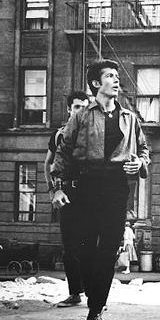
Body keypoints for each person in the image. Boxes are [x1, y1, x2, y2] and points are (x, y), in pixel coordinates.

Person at [51, 59, 150, 320]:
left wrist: (140, 164)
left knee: (108, 248)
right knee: (84, 248)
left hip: (117, 185)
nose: (117, 80)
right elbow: (63, 152)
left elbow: (144, 150)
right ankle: (94, 302)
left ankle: (95, 312)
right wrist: (57, 187)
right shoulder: (81, 116)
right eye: (110, 76)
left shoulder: (130, 118)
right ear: (96, 83)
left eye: (117, 76)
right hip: (86, 184)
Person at [44, 91, 89, 308]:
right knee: (70, 246)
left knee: (92, 245)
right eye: (77, 107)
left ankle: (95, 295)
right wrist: (53, 191)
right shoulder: (60, 135)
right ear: (69, 109)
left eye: (85, 107)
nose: (81, 111)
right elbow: (48, 164)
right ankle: (74, 293)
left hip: (93, 195)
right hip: (69, 194)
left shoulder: (94, 135)